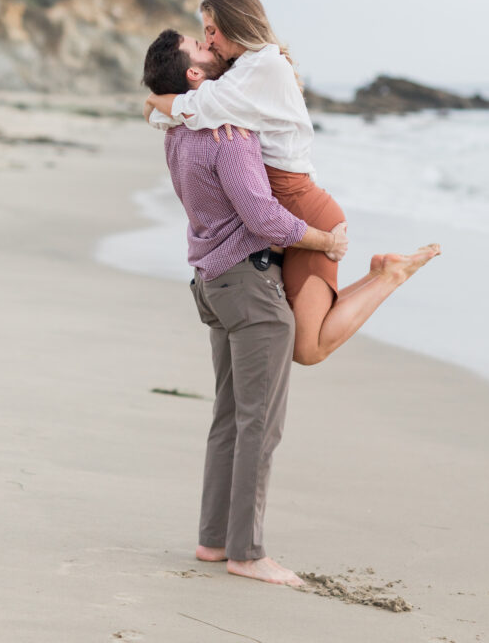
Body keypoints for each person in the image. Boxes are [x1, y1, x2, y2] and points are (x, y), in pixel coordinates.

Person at [142, 30, 348, 587]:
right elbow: (263, 217)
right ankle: (248, 553)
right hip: (249, 287)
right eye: (201, 46)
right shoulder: (224, 133)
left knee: (230, 419)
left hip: (212, 281)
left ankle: (214, 541)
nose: (213, 48)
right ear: (193, 75)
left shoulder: (179, 131)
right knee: (260, 422)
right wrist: (323, 242)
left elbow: (162, 111)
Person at [145, 0, 441, 366]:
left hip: (302, 208)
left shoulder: (262, 66)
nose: (210, 40)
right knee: (304, 345)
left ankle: (390, 277)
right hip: (283, 209)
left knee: (308, 349)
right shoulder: (241, 71)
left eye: (212, 31)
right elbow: (177, 111)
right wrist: (157, 102)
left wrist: (153, 97)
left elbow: (191, 107)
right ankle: (381, 273)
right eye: (205, 33)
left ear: (237, 25)